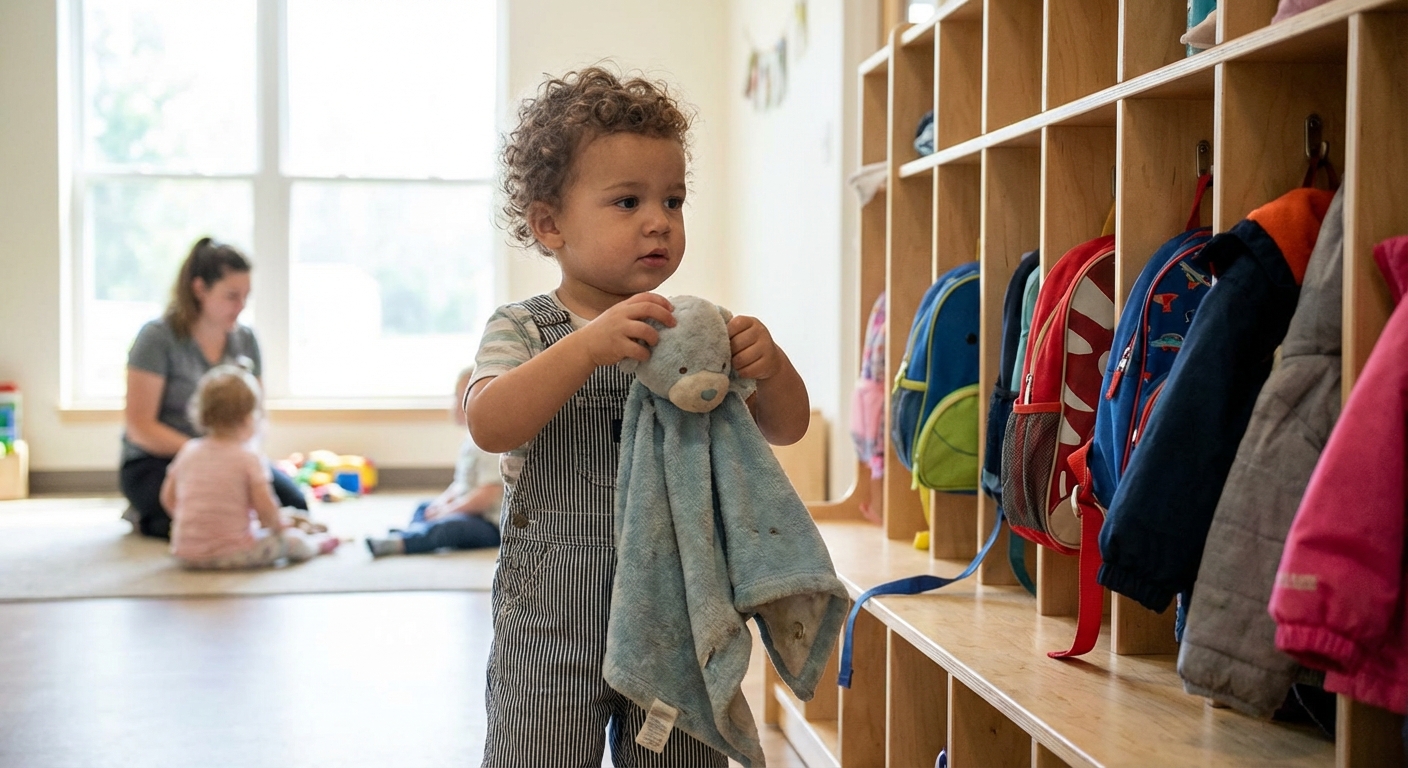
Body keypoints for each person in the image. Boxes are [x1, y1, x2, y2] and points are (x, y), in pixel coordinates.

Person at [465, 66, 810, 767]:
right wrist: (585, 349)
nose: (660, 220)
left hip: (680, 609)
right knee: (539, 751)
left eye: (673, 200)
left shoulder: (692, 332)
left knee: (684, 753)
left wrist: (770, 366)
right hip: (553, 619)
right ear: (548, 223)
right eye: (627, 201)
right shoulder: (526, 326)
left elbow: (788, 427)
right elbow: (489, 422)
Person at [120, 237, 308, 539]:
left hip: (232, 455)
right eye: (232, 296)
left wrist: (238, 457)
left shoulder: (246, 340)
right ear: (199, 289)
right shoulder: (157, 339)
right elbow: (140, 427)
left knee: (294, 504)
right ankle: (144, 516)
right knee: (198, 521)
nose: (241, 306)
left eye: (246, 296)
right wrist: (205, 454)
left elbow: (257, 414)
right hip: (161, 460)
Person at [161, 365, 338, 569]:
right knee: (293, 541)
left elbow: (168, 498)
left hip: (186, 553)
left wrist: (196, 523)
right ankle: (317, 546)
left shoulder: (188, 451)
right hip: (233, 553)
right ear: (249, 418)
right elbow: (266, 509)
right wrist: (279, 526)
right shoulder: (248, 457)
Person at [365, 368, 502, 558]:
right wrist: (441, 504)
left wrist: (448, 511)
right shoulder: (469, 441)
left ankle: (404, 542)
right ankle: (416, 534)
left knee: (449, 528)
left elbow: (487, 495)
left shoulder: (490, 443)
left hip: (489, 523)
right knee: (424, 507)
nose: (454, 406)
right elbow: (461, 485)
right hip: (468, 509)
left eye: (459, 398)